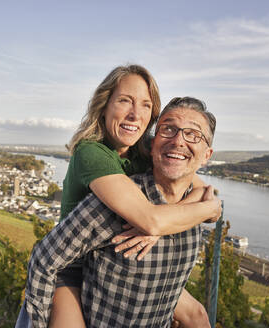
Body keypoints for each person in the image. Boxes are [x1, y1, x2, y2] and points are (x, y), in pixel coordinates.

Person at [16, 65, 220, 327]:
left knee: (199, 316)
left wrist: (171, 222)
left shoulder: (145, 149)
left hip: (118, 263)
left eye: (146, 105)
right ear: (104, 105)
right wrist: (168, 222)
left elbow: (199, 188)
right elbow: (150, 218)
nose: (135, 114)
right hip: (73, 266)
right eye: (125, 100)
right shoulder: (92, 153)